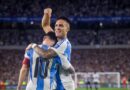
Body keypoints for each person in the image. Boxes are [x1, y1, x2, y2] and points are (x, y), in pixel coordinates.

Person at [26, 8, 75, 90]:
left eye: (61, 26)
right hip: (55, 83)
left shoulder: (64, 44)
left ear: (67, 29)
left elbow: (45, 54)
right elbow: (45, 25)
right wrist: (47, 14)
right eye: (56, 25)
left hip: (64, 85)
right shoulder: (56, 39)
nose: (57, 28)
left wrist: (33, 45)